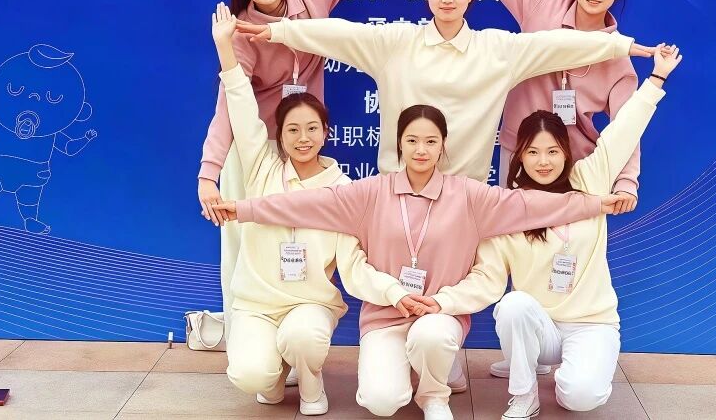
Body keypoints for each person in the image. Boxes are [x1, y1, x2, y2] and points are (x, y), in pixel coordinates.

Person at [211, 104, 627, 420]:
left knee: (431, 336)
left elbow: (531, 205)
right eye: (412, 141)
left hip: (438, 315)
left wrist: (595, 204)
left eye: (430, 141)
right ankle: (409, 370)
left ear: (443, 145)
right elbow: (304, 204)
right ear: (399, 145)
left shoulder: (468, 195)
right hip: (386, 316)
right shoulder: (370, 192)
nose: (421, 149)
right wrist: (243, 209)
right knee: (381, 401)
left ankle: (434, 393)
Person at [199, 0, 447, 329]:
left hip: (302, 139)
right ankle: (247, 335)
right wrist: (210, 173)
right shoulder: (241, 32)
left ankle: (300, 326)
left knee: (308, 237)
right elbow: (229, 105)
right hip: (258, 148)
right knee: (243, 241)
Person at [234, 0, 657, 183]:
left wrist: (622, 46)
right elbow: (338, 34)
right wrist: (277, 31)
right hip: (397, 189)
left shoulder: (497, 49)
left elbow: (557, 44)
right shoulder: (396, 43)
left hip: (464, 196)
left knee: (446, 314)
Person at [450, 45, 681, 419]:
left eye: (552, 151)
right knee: (513, 305)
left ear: (566, 153)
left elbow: (624, 130)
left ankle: (574, 372)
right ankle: (524, 394)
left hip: (590, 323)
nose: (543, 162)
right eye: (533, 152)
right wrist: (442, 303)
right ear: (519, 156)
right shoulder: (509, 210)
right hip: (539, 327)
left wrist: (657, 78)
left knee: (580, 398)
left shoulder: (589, 180)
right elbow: (486, 280)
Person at [207, 3, 406, 415]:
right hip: (257, 305)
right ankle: (273, 374)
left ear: (326, 133)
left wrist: (394, 292)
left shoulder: (343, 191)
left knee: (303, 338)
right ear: (279, 135)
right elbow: (240, 103)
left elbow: (354, 263)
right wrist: (226, 48)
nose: (303, 138)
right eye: (293, 130)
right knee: (250, 375)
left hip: (309, 305)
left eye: (312, 129)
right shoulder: (262, 166)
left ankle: (311, 380)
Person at [436, 0, 645, 215]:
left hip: (576, 163)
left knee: (565, 244)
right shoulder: (543, 4)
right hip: (521, 150)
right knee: (513, 234)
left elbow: (627, 127)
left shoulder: (619, 60)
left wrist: (627, 182)